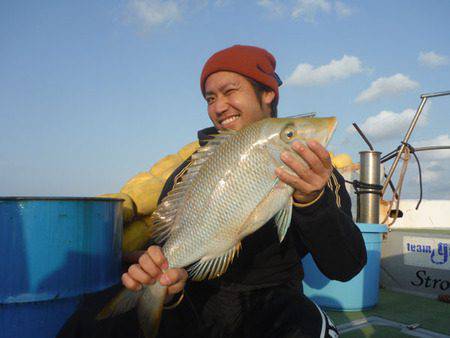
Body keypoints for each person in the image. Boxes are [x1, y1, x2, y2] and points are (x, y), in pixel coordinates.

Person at [58, 45, 366, 338]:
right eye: (210, 98)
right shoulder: (188, 171)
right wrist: (165, 285)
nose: (219, 107)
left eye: (231, 91)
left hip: (273, 303)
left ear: (268, 93)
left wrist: (313, 200)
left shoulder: (315, 170)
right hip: (196, 299)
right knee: (89, 320)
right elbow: (161, 244)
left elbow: (345, 266)